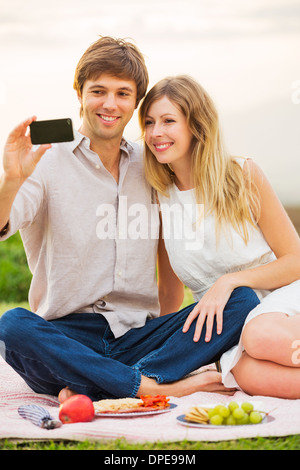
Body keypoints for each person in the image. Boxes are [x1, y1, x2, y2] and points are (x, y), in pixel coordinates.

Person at [0, 38, 259, 403]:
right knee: (12, 325)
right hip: (67, 338)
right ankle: (148, 385)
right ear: (79, 93)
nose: (110, 104)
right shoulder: (46, 161)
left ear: (135, 101)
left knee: (241, 302)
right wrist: (12, 180)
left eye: (123, 93)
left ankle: (97, 383)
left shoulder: (152, 163)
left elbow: (169, 279)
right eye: (98, 91)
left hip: (139, 336)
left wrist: (174, 343)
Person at [139, 74, 300, 399]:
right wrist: (168, 344)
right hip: (228, 322)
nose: (156, 133)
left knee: (260, 335)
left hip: (283, 301)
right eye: (149, 122)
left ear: (196, 126)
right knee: (242, 373)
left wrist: (229, 282)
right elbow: (170, 290)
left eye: (168, 120)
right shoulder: (160, 197)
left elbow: (295, 261)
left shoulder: (242, 175)